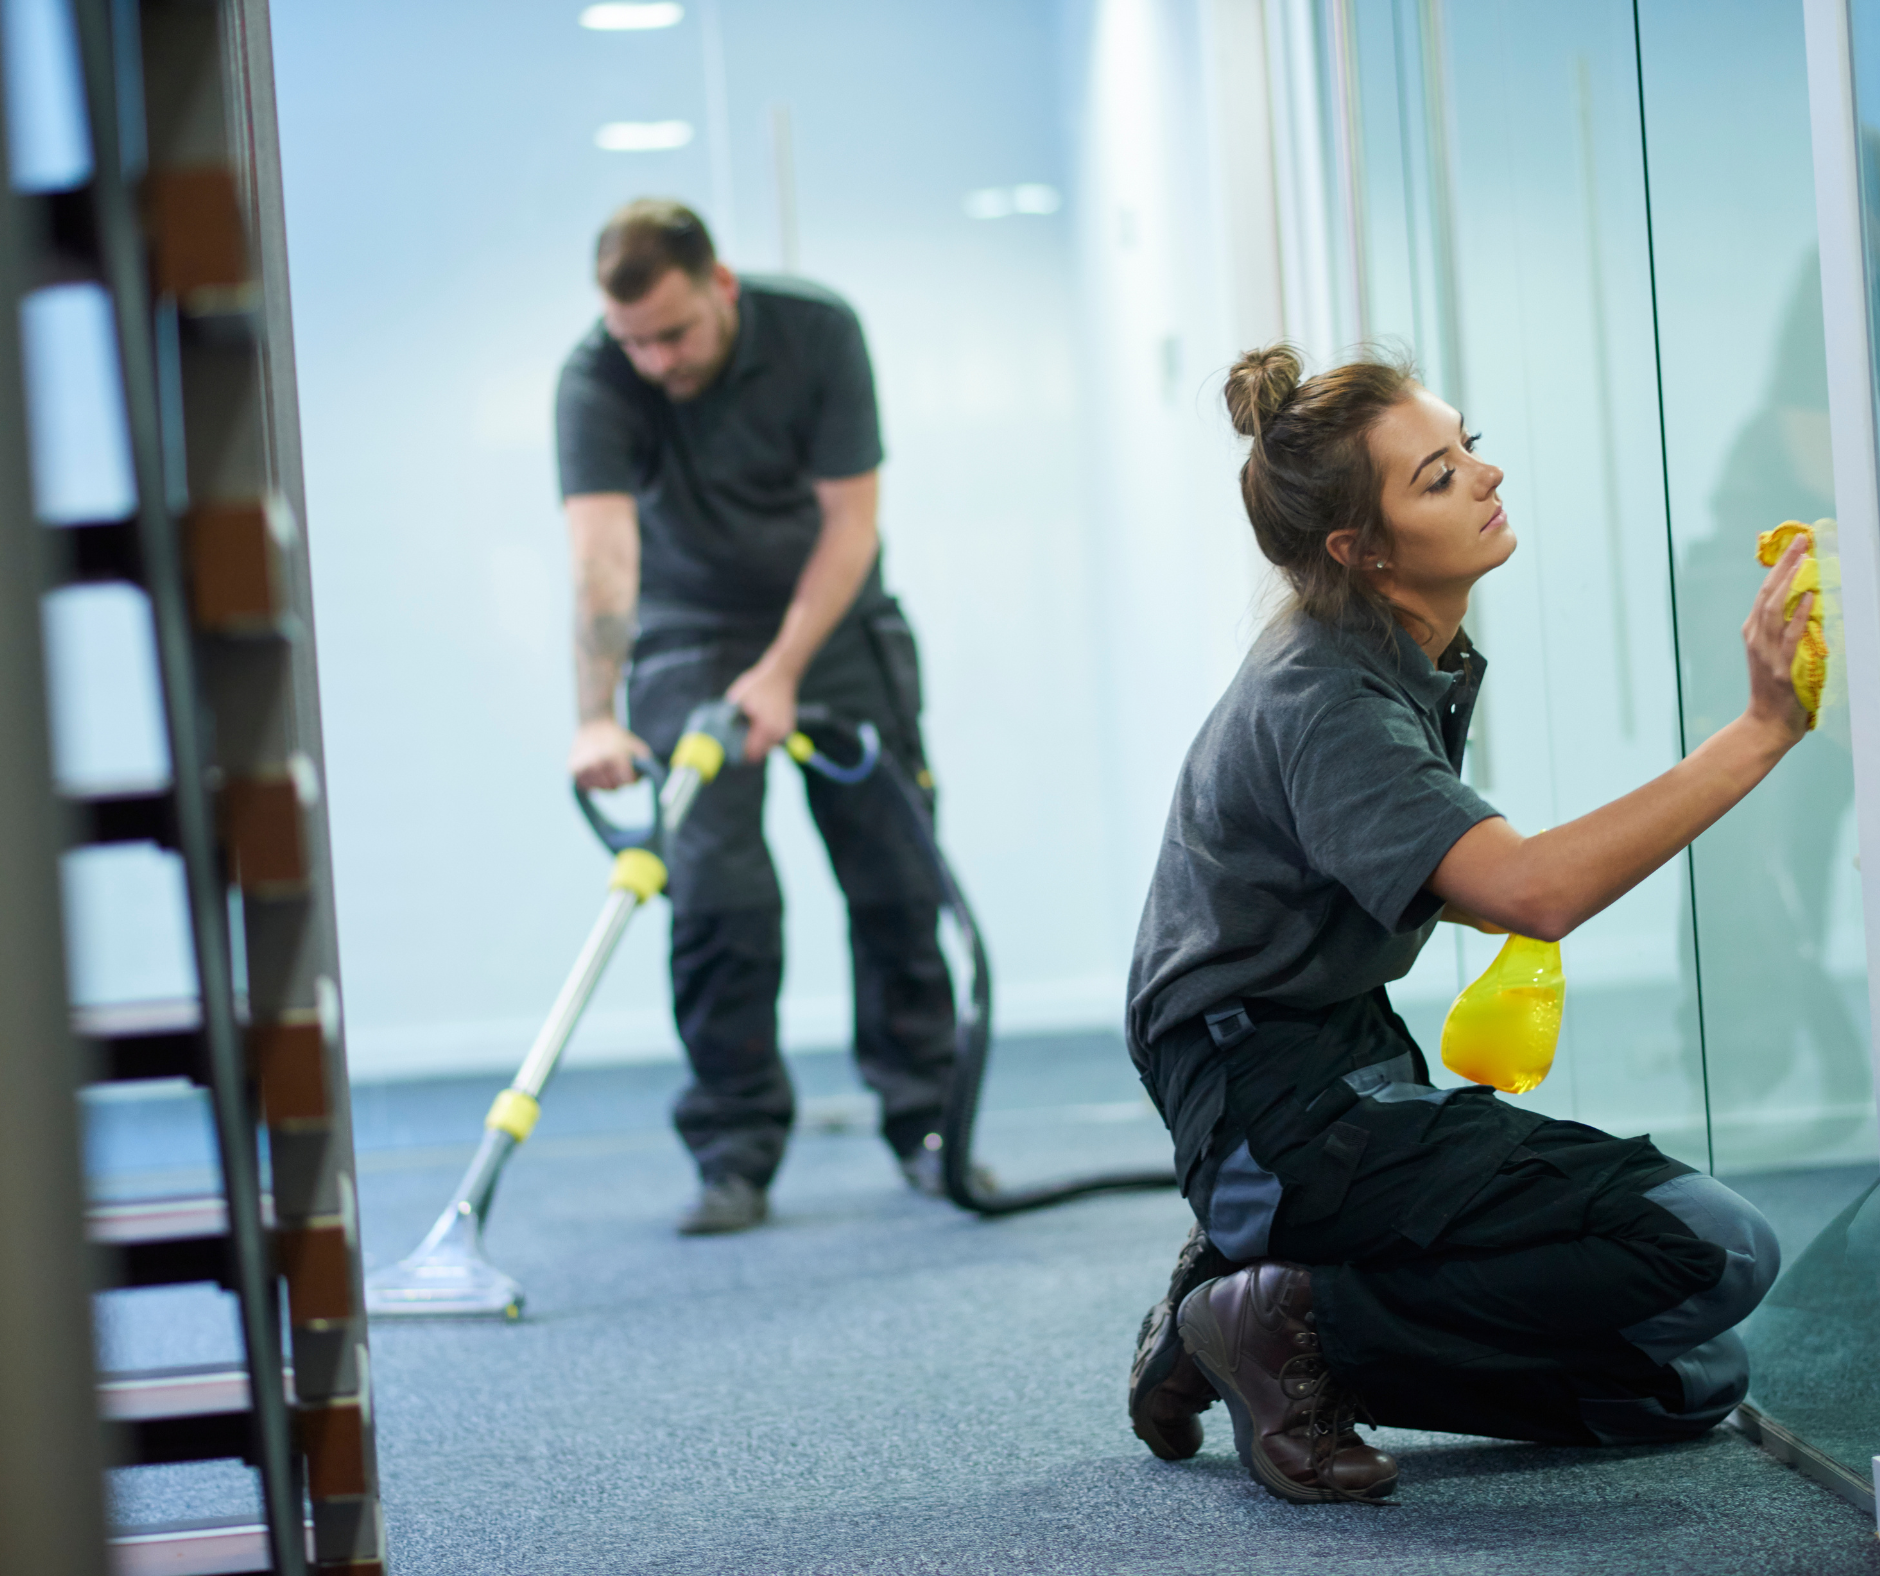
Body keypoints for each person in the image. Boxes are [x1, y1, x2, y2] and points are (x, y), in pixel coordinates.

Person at [1123, 344, 1806, 1502]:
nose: (1484, 478)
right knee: (1715, 1249)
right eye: (1435, 476)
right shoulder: (1323, 691)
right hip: (1267, 1098)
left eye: (1466, 446)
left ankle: (1259, 1291)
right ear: (1362, 549)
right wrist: (1761, 728)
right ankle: (1280, 1312)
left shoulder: (1394, 653)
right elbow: (1531, 890)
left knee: (1686, 1377)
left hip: (1329, 1055)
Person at [554, 199, 955, 1235]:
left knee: (894, 877)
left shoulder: (816, 331)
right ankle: (732, 1149)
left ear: (720, 285)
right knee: (714, 895)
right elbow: (602, 560)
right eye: (632, 339)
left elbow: (851, 523)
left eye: (673, 334)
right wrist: (595, 715)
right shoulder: (596, 375)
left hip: (833, 619)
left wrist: (782, 669)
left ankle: (927, 1125)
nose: (653, 362)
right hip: (689, 630)